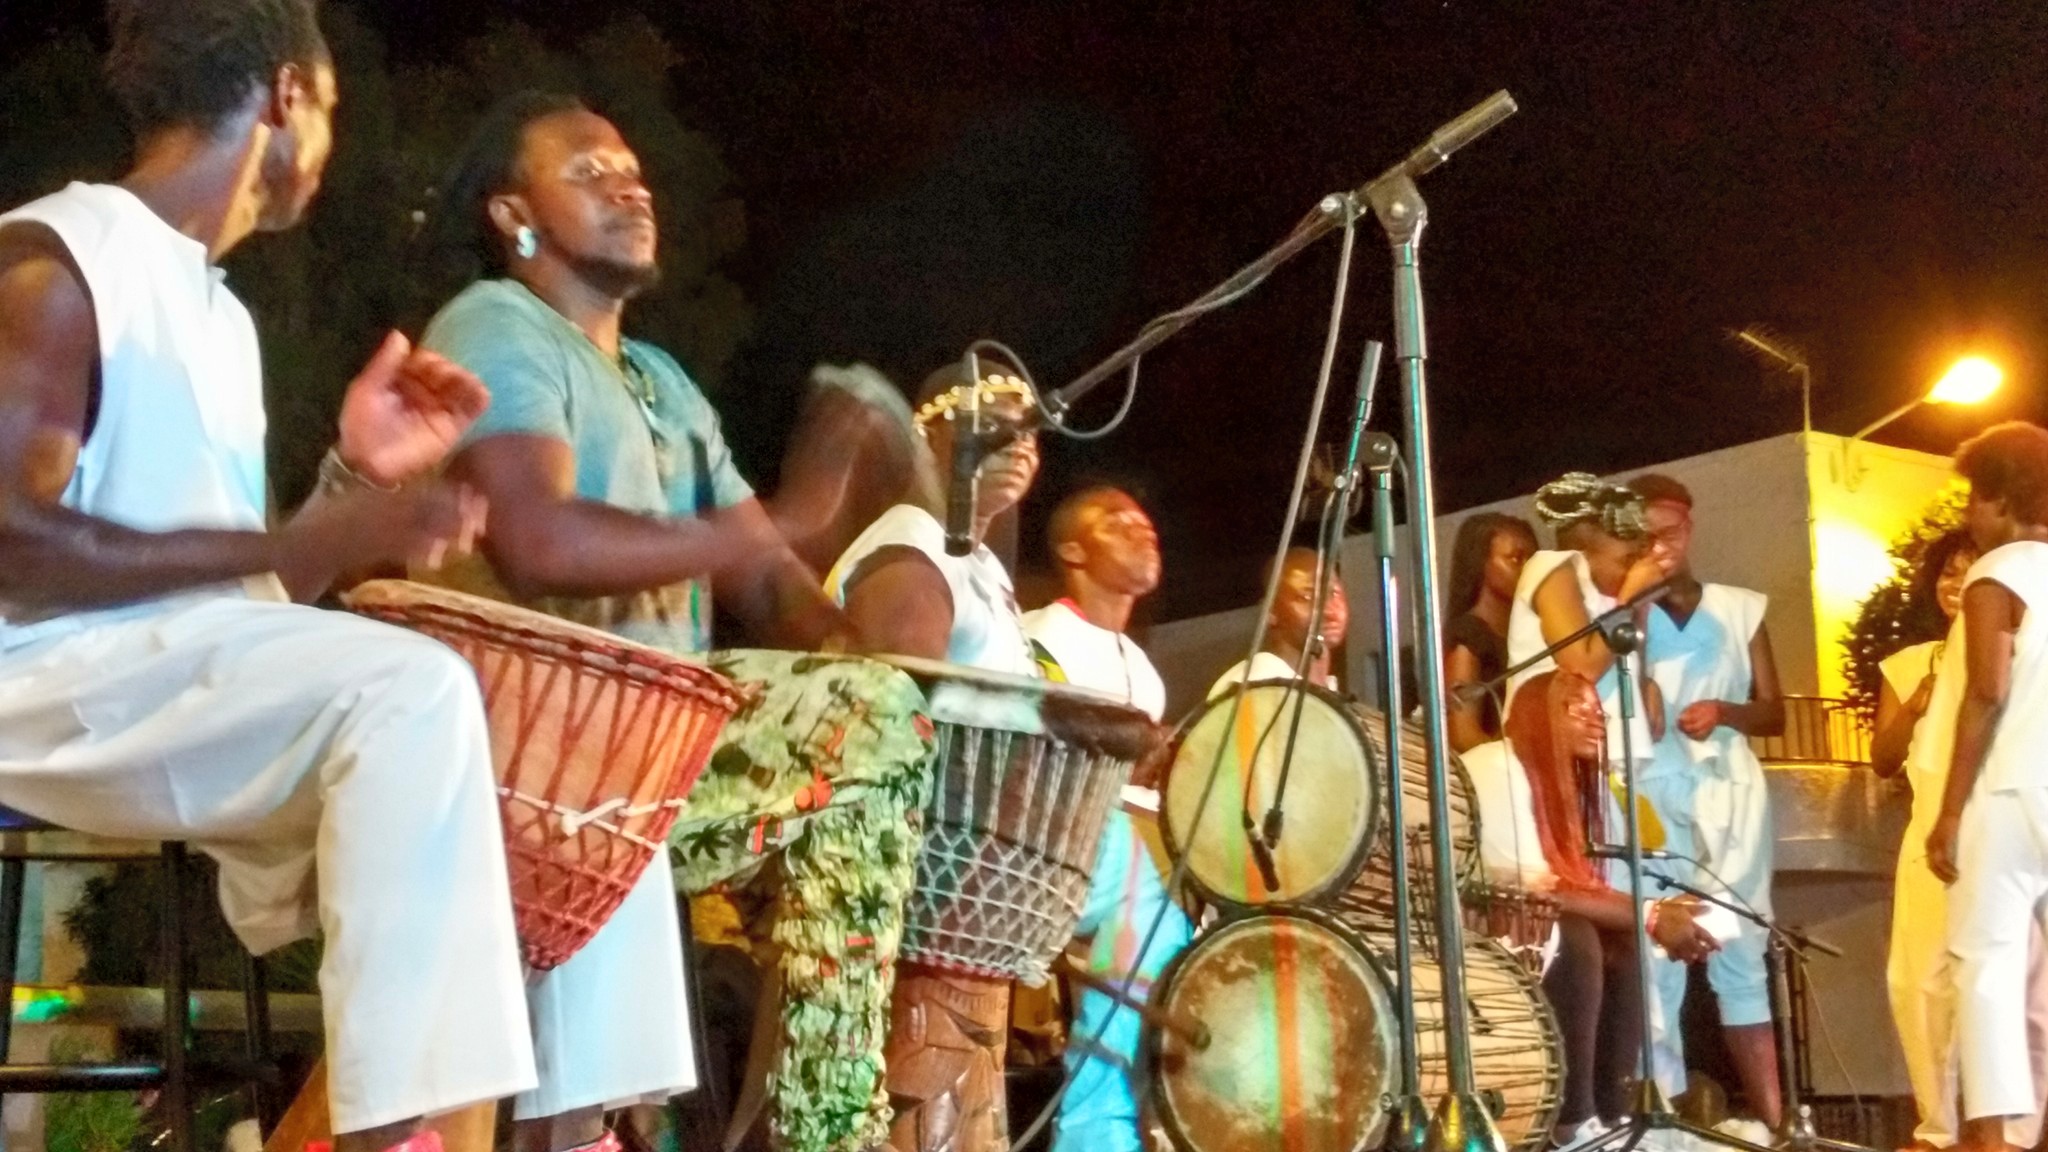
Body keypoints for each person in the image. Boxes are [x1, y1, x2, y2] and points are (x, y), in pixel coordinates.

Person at [0, 4, 622, 1150]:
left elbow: (231, 620)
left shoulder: (217, 318)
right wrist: (297, 544)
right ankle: (393, 1138)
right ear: (287, 97)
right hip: (32, 679)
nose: (325, 148)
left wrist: (348, 482)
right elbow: (16, 548)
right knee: (412, 690)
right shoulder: (55, 264)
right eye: (328, 110)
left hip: (139, 680)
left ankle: (497, 1128)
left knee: (514, 752)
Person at [413, 92, 934, 1152]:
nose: (629, 187)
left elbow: (768, 581)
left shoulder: (662, 382)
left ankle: (792, 1109)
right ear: (514, 217)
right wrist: (782, 521)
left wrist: (869, 652)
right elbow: (539, 539)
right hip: (533, 743)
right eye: (589, 172)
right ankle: (819, 1122)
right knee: (870, 723)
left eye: (633, 171)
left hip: (653, 740)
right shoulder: (494, 326)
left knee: (885, 719)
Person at [1469, 672, 1717, 1150]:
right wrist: (1652, 914)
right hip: (1477, 928)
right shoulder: (1497, 764)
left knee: (1619, 944)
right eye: (1574, 707)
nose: (1594, 719)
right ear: (1537, 713)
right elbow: (1531, 890)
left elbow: (1580, 889)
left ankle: (1610, 1117)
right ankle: (1571, 1122)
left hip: (1529, 923)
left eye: (1597, 710)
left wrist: (1656, 915)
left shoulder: (1577, 789)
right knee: (1578, 937)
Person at [1020, 486, 1190, 1152]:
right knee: (1151, 917)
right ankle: (1096, 1130)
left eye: (1146, 523)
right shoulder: (1039, 636)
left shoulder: (1142, 671)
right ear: (1072, 551)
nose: (1143, 532)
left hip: (1114, 848)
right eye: (1117, 523)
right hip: (1047, 845)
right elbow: (1036, 759)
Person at [1873, 529, 2048, 1152]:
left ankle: (2016, 1132)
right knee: (1919, 980)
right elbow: (1883, 758)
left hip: (1999, 821)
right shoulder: (1910, 662)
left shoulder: (2020, 649)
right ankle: (1937, 1126)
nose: (1958, 583)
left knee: (2021, 983)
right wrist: (1917, 703)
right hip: (1932, 828)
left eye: (1969, 571)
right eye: (1949, 572)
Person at [1627, 473, 1785, 1137]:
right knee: (1657, 954)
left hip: (1729, 787)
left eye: (1669, 532)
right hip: (1653, 786)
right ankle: (1658, 1118)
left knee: (1740, 944)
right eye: (1645, 536)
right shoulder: (1621, 611)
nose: (1660, 546)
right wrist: (1634, 610)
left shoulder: (1739, 607)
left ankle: (1777, 1124)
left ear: (1689, 528)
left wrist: (1724, 710)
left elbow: (1775, 712)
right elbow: (1625, 701)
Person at [1924, 423, 2048, 1152]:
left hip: (2008, 793)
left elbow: (1986, 691)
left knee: (1987, 964)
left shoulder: (1997, 572)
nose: (1969, 513)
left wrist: (1949, 811)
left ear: (2001, 498)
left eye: (1974, 497)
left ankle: (1991, 1139)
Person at [1446, 513, 1538, 752]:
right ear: (1480, 563)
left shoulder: (1533, 631)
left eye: (1533, 560)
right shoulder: (1469, 636)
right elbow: (1463, 735)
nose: (1528, 569)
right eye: (1515, 558)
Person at [1208, 545, 1349, 696]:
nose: (1328, 611)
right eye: (1306, 597)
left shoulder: (1330, 691)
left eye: (1333, 593)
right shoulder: (1255, 682)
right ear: (1270, 611)